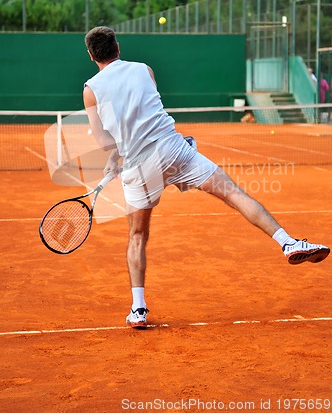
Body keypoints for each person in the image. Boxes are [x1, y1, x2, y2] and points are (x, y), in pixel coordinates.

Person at [83, 27, 330, 330]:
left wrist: (113, 157)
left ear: (92, 55)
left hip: (139, 168)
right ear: (117, 47)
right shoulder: (144, 70)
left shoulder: (91, 90)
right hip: (174, 150)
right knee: (235, 194)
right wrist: (118, 155)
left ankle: (138, 309)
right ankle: (288, 242)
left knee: (137, 236)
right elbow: (145, 113)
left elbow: (108, 141)